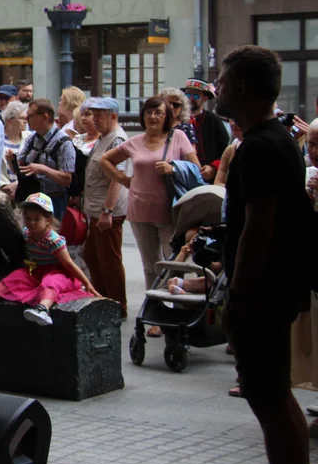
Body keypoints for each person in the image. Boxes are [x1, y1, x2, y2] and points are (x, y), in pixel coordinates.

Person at [212, 46, 312, 464]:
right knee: (274, 395)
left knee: (268, 399)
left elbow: (258, 229)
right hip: (277, 288)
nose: (215, 86)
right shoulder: (279, 140)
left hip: (263, 294)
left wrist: (239, 296)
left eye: (221, 79)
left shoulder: (257, 149)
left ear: (239, 87)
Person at [100, 96, 199, 337]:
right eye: (149, 112)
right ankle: (155, 316)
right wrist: (125, 181)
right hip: (140, 211)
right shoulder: (135, 142)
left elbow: (196, 168)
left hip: (170, 212)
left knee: (174, 263)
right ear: (142, 116)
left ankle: (177, 311)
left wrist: (173, 168)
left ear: (167, 117)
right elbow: (105, 160)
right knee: (150, 266)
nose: (153, 117)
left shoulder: (178, 138)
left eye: (159, 113)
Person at [0, 192, 99, 326]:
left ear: (47, 220)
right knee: (16, 276)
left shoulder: (52, 240)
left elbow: (69, 264)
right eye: (28, 218)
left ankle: (43, 308)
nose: (31, 222)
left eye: (36, 219)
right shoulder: (27, 233)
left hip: (59, 273)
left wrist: (87, 283)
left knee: (49, 282)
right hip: (38, 271)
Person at [81, 98, 130, 316]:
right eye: (93, 113)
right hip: (97, 210)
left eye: (99, 114)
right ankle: (102, 299)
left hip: (107, 212)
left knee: (108, 260)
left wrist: (107, 211)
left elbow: (117, 179)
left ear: (113, 116)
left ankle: (117, 305)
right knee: (92, 255)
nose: (94, 118)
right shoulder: (106, 137)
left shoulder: (117, 139)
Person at [5, 99, 75, 220]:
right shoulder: (32, 138)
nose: (26, 118)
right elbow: (21, 169)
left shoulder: (63, 142)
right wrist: (12, 161)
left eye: (30, 115)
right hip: (32, 198)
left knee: (50, 236)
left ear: (44, 117)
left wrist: (43, 169)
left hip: (54, 201)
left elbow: (67, 179)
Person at [184, 78, 231, 183]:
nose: (190, 99)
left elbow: (225, 150)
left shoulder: (213, 120)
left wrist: (214, 167)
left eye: (195, 95)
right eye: (187, 95)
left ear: (205, 98)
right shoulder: (177, 120)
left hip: (209, 179)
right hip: (184, 177)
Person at [0, 101, 30, 187]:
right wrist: (5, 186)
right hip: (2, 189)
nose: (26, 121)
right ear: (9, 121)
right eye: (22, 118)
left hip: (23, 188)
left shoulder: (30, 138)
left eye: (26, 118)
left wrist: (18, 184)